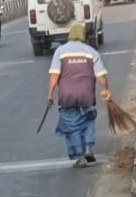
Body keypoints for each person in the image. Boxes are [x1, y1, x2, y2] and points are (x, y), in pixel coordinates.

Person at [47, 23, 112, 168]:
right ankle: (88, 148)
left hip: (67, 96)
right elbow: (101, 75)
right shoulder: (91, 52)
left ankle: (80, 157)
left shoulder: (60, 51)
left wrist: (50, 94)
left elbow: (54, 76)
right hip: (86, 94)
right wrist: (106, 89)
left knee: (72, 126)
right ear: (83, 35)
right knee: (88, 120)